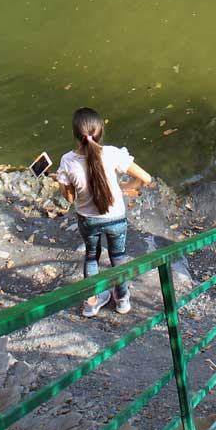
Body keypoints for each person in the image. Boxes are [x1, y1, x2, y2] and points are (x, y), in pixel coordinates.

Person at [54, 108, 153, 317]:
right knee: (118, 257)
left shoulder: (67, 161)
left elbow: (70, 199)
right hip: (116, 217)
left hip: (88, 220)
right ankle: (123, 300)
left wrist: (60, 183)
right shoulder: (112, 153)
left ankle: (91, 303)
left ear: (74, 134)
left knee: (91, 257)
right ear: (100, 131)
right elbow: (146, 178)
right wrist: (126, 187)